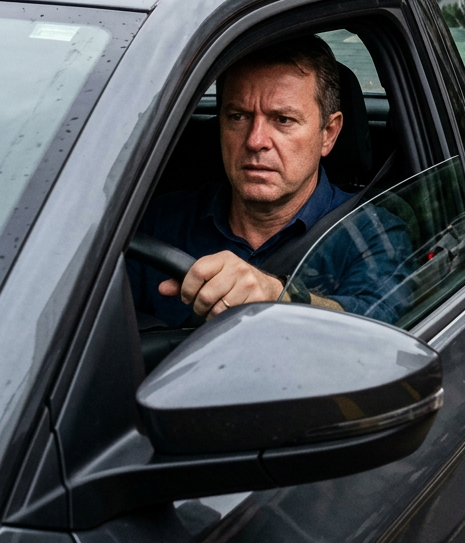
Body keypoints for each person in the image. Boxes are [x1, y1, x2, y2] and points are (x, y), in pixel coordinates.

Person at [128, 36, 411, 327]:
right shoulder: (157, 223)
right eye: (238, 116)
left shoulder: (371, 232)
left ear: (328, 133)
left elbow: (380, 328)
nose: (255, 140)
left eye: (283, 120)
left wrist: (279, 296)